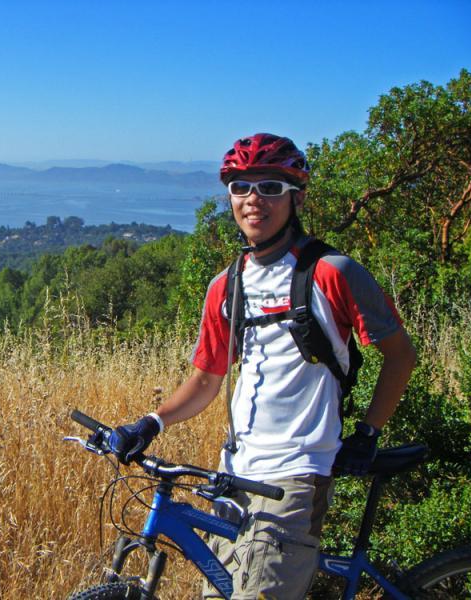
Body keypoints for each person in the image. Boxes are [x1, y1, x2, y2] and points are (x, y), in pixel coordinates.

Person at [109, 133, 417, 599]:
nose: (253, 200)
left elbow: (400, 356)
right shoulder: (226, 285)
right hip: (233, 476)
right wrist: (152, 422)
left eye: (270, 187)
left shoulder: (332, 273)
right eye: (241, 187)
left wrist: (368, 433)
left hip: (296, 474)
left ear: (296, 197)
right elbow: (206, 379)